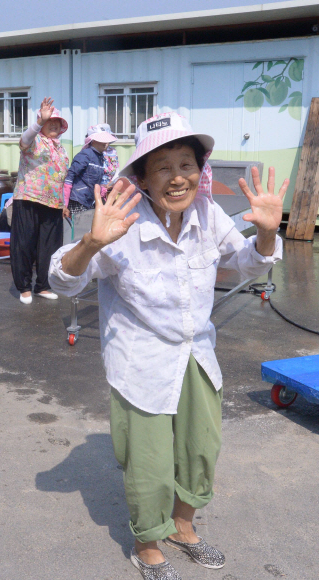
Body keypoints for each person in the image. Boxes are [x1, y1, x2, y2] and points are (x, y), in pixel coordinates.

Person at [49, 112, 287, 580]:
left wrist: (264, 233)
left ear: (200, 171)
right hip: (141, 361)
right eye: (162, 168)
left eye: (186, 164)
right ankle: (147, 544)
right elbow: (63, 280)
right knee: (151, 464)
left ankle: (183, 526)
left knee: (201, 450)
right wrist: (91, 244)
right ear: (141, 177)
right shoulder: (122, 225)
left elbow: (244, 263)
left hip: (197, 353)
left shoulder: (206, 213)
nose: (177, 178)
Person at [11, 97, 69, 305]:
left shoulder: (60, 149)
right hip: (29, 198)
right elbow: (23, 141)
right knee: (24, 244)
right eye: (49, 121)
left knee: (50, 247)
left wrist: (65, 203)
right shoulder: (34, 140)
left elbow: (63, 177)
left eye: (57, 122)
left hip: (53, 203)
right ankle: (24, 286)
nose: (53, 124)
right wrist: (37, 123)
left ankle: (43, 285)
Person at [63, 124, 117, 215]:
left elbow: (93, 181)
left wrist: (104, 188)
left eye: (107, 140)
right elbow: (69, 177)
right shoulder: (85, 155)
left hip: (90, 201)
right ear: (92, 141)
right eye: (102, 140)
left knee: (88, 228)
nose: (106, 143)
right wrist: (65, 203)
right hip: (78, 200)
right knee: (80, 228)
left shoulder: (100, 157)